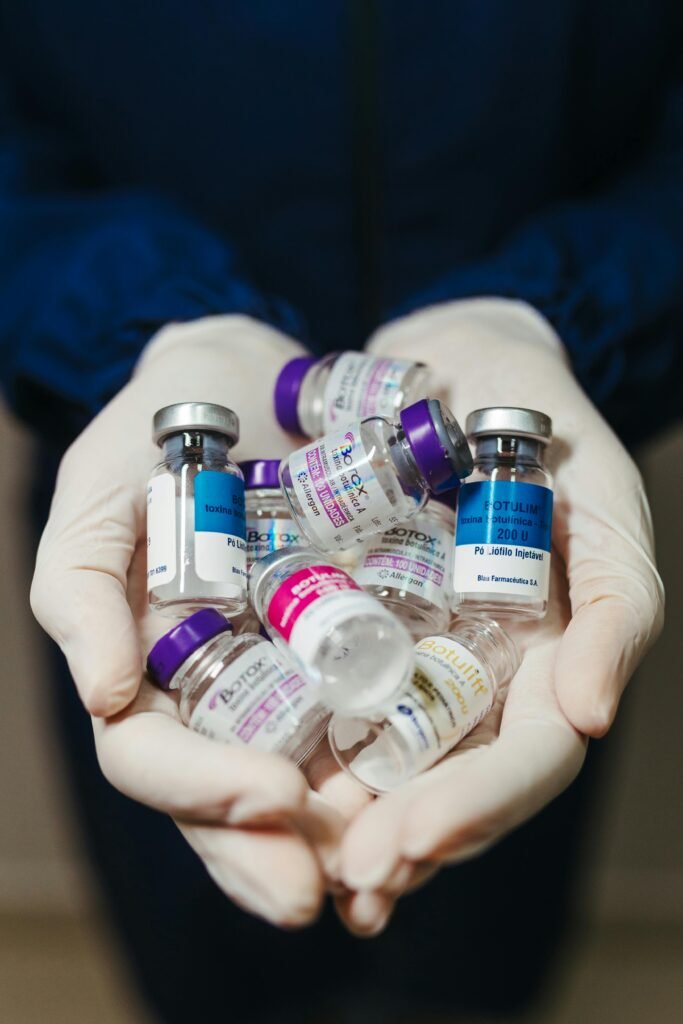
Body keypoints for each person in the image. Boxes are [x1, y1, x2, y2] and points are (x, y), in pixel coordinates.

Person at [2, 3, 679, 1021]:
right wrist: (147, 323)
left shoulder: (489, 506)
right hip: (125, 416)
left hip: (557, 410)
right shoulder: (220, 528)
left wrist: (545, 309)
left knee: (477, 956)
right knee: (204, 951)